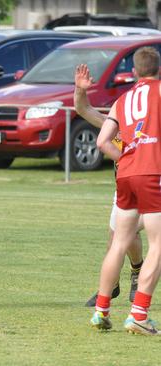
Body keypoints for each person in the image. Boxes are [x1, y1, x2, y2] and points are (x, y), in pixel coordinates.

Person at [92, 46, 161, 335]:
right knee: (158, 244)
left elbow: (102, 142)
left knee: (120, 242)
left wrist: (128, 158)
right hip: (153, 173)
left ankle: (101, 310)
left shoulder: (123, 99)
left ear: (134, 71)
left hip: (127, 174)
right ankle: (139, 314)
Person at [73, 64, 144, 307]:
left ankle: (129, 281)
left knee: (125, 234)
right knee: (117, 238)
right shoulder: (117, 130)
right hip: (125, 190)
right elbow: (82, 109)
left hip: (151, 188)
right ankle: (124, 280)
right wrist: (80, 89)